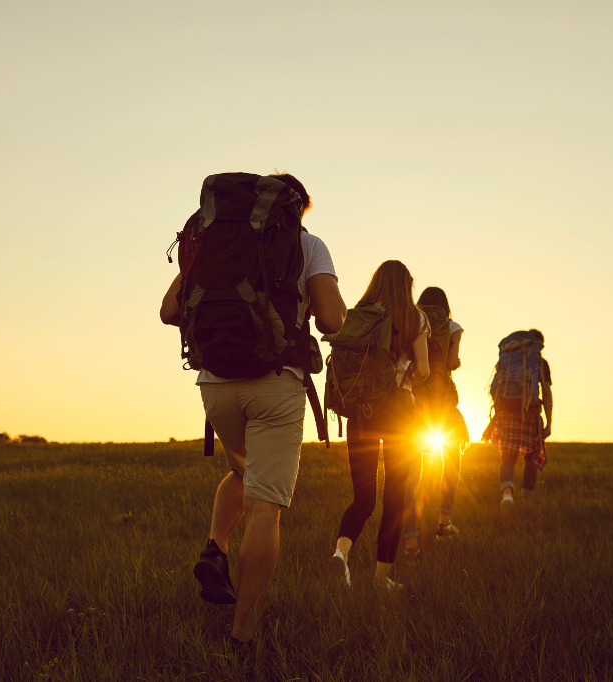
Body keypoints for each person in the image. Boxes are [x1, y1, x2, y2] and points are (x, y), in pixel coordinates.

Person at [160, 173, 346, 651]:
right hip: (277, 383)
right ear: (298, 208)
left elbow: (167, 309)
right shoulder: (308, 245)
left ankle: (216, 547)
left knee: (241, 471)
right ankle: (241, 637)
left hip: (215, 384)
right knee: (266, 507)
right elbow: (330, 318)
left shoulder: (219, 239)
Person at [328, 260, 429, 591]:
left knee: (364, 498)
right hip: (400, 415)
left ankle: (341, 555)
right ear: (406, 286)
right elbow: (425, 370)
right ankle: (380, 578)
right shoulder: (415, 318)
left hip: (361, 412)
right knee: (394, 498)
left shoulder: (361, 314)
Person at [403, 286, 469, 556]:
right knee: (452, 460)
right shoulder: (453, 326)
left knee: (410, 473)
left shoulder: (412, 321)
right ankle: (444, 524)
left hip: (414, 399)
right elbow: (452, 363)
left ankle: (410, 542)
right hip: (444, 401)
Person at [487, 328, 553, 506]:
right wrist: (549, 422)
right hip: (528, 411)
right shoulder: (540, 362)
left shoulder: (507, 359)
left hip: (506, 410)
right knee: (531, 457)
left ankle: (507, 495)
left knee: (507, 457)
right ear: (539, 344)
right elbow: (546, 394)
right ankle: (527, 500)